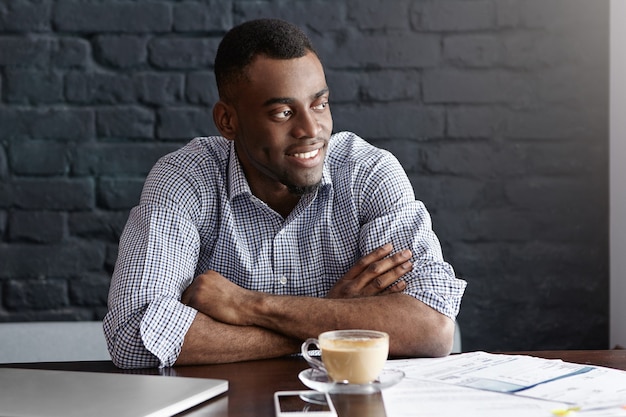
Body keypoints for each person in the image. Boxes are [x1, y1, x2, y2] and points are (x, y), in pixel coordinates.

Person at [103, 18, 467, 369]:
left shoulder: (367, 173)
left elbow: (432, 329)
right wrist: (329, 319)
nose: (311, 129)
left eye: (319, 104)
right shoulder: (186, 178)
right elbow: (133, 335)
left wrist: (251, 306)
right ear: (228, 121)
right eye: (282, 112)